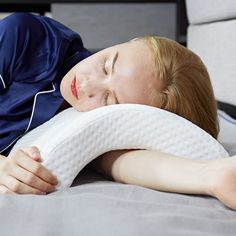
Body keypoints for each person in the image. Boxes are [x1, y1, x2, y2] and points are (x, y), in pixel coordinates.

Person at [0, 13, 235, 211]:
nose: (86, 84)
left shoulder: (93, 124)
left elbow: (124, 162)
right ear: (127, 42)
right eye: (106, 65)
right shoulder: (27, 37)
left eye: (110, 99)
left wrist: (211, 176)